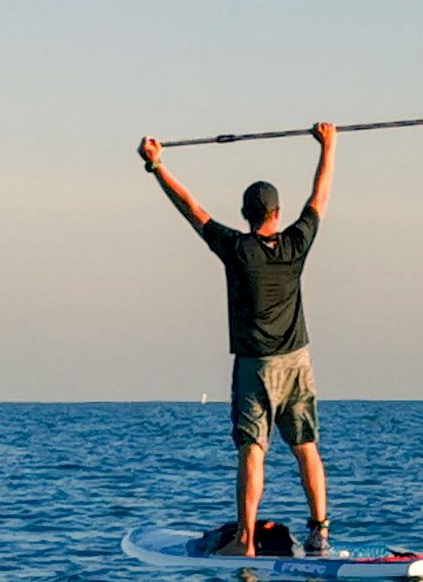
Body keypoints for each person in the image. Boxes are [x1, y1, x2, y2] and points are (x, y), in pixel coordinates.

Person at [137, 123, 337, 557]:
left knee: (252, 452)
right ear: (276, 213)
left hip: (255, 366)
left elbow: (190, 208)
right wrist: (329, 145)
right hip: (298, 362)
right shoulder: (296, 244)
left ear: (246, 214)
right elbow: (319, 197)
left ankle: (246, 542)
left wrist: (157, 167)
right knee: (306, 447)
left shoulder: (236, 249)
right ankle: (319, 532)